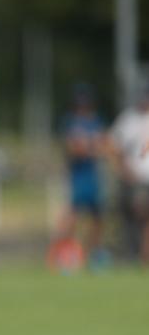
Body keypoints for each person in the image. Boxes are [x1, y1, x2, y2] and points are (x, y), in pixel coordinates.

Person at [49, 84, 107, 268]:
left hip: (92, 176)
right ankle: (62, 253)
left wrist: (89, 146)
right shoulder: (70, 122)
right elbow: (74, 149)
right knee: (71, 218)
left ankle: (92, 256)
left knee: (97, 219)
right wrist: (90, 146)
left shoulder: (96, 121)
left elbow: (104, 146)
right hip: (76, 177)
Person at [110, 86, 149, 263]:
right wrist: (123, 170)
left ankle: (142, 256)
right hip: (136, 179)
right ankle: (139, 255)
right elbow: (113, 147)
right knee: (137, 216)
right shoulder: (129, 119)